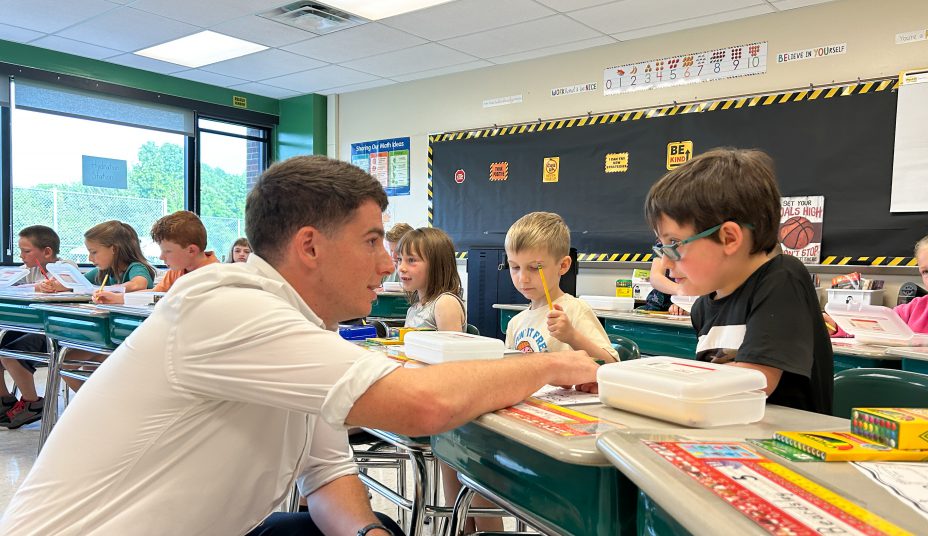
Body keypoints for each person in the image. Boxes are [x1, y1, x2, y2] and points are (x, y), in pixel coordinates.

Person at [0, 155, 597, 536]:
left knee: (345, 525)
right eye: (371, 242)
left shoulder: (306, 328)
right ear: (310, 246)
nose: (388, 263)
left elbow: (326, 469)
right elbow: (423, 405)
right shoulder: (226, 305)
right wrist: (553, 362)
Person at [644, 147, 833, 414]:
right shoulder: (702, 307)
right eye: (661, 246)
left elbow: (755, 381)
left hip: (785, 449)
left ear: (729, 238)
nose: (665, 262)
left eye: (674, 243)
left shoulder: (782, 279)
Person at [39, 220, 156, 391]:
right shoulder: (104, 272)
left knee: (73, 364)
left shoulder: (135, 267)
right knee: (66, 363)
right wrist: (55, 286)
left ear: (114, 249)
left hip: (129, 337)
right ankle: (93, 404)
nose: (90, 258)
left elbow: (139, 284)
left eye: (94, 252)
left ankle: (95, 404)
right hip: (105, 335)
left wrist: (111, 291)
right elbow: (78, 284)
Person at [504, 212, 617, 362]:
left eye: (534, 268)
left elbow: (611, 363)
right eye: (515, 267)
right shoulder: (515, 323)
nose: (522, 278)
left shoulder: (575, 310)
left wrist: (572, 336)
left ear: (563, 266)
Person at [0, 226, 76, 429]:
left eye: (26, 251)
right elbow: (12, 286)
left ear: (47, 252)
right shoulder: (31, 271)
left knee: (9, 354)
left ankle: (32, 402)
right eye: (20, 251)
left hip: (53, 330)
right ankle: (5, 400)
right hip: (31, 326)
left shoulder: (65, 266)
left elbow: (68, 286)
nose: (21, 256)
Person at [94, 211, 218, 304]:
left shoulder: (216, 275)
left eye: (167, 251)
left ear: (191, 250)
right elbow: (156, 293)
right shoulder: (176, 271)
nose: (161, 257)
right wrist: (118, 298)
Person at [398, 227, 466, 332]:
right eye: (399, 259)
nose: (401, 268)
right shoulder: (413, 309)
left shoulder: (445, 303)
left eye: (411, 260)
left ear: (437, 264)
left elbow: (450, 348)